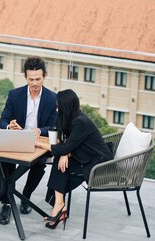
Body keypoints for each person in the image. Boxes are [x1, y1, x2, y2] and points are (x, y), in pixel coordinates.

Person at [34, 89, 113, 229]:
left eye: (59, 106)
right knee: (60, 163)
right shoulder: (69, 118)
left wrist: (40, 144)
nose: (57, 109)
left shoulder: (80, 122)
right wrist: (65, 153)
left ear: (66, 107)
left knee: (61, 168)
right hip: (84, 156)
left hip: (98, 163)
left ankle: (59, 207)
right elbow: (64, 141)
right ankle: (60, 206)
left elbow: (65, 146)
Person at [0, 56, 57, 225]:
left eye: (38, 79)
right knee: (5, 160)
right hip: (17, 139)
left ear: (44, 76)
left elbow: (54, 126)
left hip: (39, 142)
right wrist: (9, 126)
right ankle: (7, 202)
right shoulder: (14, 95)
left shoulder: (52, 98)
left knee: (39, 164)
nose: (35, 83)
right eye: (31, 79)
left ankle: (25, 196)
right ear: (25, 77)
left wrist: (39, 130)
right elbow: (3, 120)